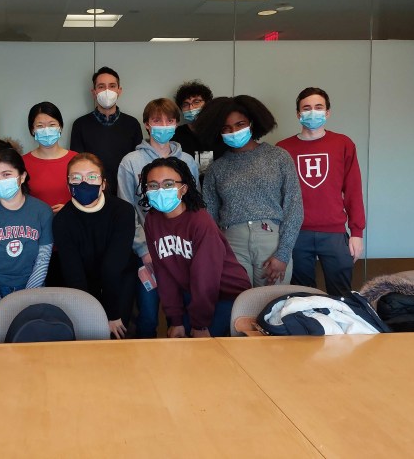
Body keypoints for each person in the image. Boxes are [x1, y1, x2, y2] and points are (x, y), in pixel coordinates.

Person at [195, 95, 303, 288]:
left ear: (252, 123)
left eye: (240, 124)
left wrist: (283, 254)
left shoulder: (278, 157)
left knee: (272, 302)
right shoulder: (216, 169)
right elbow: (209, 217)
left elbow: (294, 207)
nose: (234, 132)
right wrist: (218, 252)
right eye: (226, 128)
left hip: (272, 243)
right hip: (232, 245)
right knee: (238, 302)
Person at [140, 157, 250, 337]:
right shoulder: (152, 220)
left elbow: (205, 275)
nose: (160, 190)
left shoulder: (200, 220)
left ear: (183, 188)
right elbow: (163, 272)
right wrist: (175, 319)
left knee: (203, 348)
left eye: (168, 184)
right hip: (191, 291)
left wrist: (200, 325)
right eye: (153, 185)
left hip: (227, 294)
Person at [118, 98, 200, 338]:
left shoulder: (187, 161)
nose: (163, 125)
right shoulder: (130, 162)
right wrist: (143, 249)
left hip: (182, 250)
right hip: (146, 252)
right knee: (147, 315)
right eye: (157, 120)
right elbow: (126, 210)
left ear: (176, 124)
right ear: (147, 124)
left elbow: (194, 205)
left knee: (187, 311)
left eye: (169, 120)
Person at [277, 87, 366, 296]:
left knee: (341, 296)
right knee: (302, 296)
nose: (312, 112)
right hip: (296, 233)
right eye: (306, 108)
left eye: (318, 107)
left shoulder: (343, 144)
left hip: (334, 233)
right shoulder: (282, 149)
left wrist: (357, 233)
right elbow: (277, 195)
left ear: (327, 112)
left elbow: (353, 190)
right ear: (298, 114)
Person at [0, 148, 53, 343]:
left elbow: (42, 263)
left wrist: (24, 302)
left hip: (32, 288)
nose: (0, 181)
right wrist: (0, 309)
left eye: (6, 174)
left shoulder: (42, 211)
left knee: (30, 347)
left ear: (22, 177)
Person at [53, 153, 139, 339]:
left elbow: (113, 266)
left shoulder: (122, 211)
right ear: (68, 185)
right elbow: (74, 274)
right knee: (89, 332)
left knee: (118, 334)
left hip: (119, 278)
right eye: (76, 177)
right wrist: (91, 315)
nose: (84, 183)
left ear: (103, 183)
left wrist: (113, 314)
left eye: (92, 177)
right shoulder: (62, 220)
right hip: (84, 283)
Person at [70, 66, 142, 196]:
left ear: (119, 91)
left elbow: (138, 163)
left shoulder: (132, 124)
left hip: (126, 192)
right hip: (92, 192)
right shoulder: (80, 124)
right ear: (94, 92)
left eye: (112, 86)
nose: (107, 91)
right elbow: (77, 164)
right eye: (101, 86)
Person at [23, 102, 77, 214]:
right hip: (35, 222)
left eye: (52, 125)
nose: (46, 130)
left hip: (71, 221)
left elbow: (88, 195)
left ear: (60, 127)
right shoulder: (22, 162)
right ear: (32, 130)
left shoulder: (77, 160)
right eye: (40, 126)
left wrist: (70, 209)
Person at [171, 80, 224, 177]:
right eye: (185, 104)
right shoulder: (176, 135)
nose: (191, 108)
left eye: (196, 102)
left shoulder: (220, 132)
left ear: (208, 104)